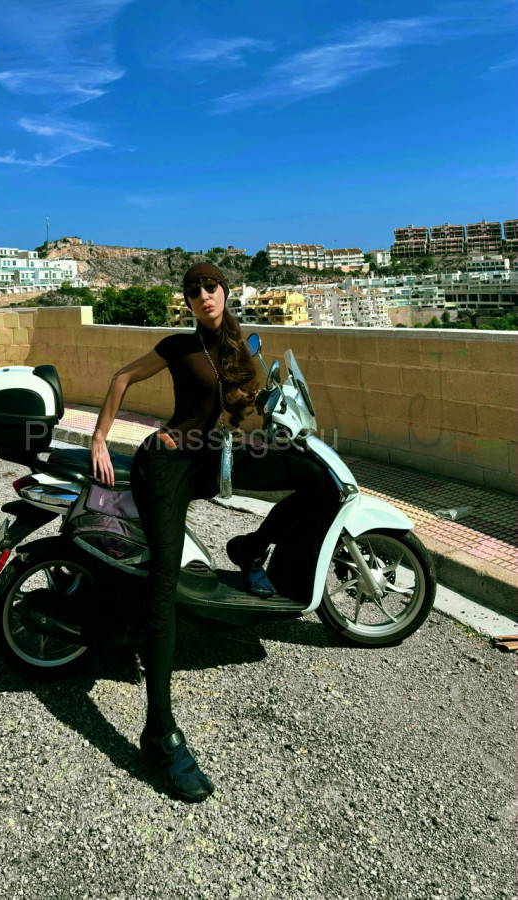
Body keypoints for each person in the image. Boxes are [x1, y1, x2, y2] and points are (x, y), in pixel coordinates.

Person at [90, 263, 336, 802]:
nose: (203, 295)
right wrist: (100, 438)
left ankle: (251, 547)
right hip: (169, 463)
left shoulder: (240, 350)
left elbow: (249, 406)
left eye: (211, 287)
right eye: (194, 290)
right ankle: (159, 732)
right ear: (187, 300)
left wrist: (274, 419)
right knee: (163, 581)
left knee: (317, 480)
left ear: (224, 292)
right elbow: (121, 378)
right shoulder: (178, 346)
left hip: (216, 457)